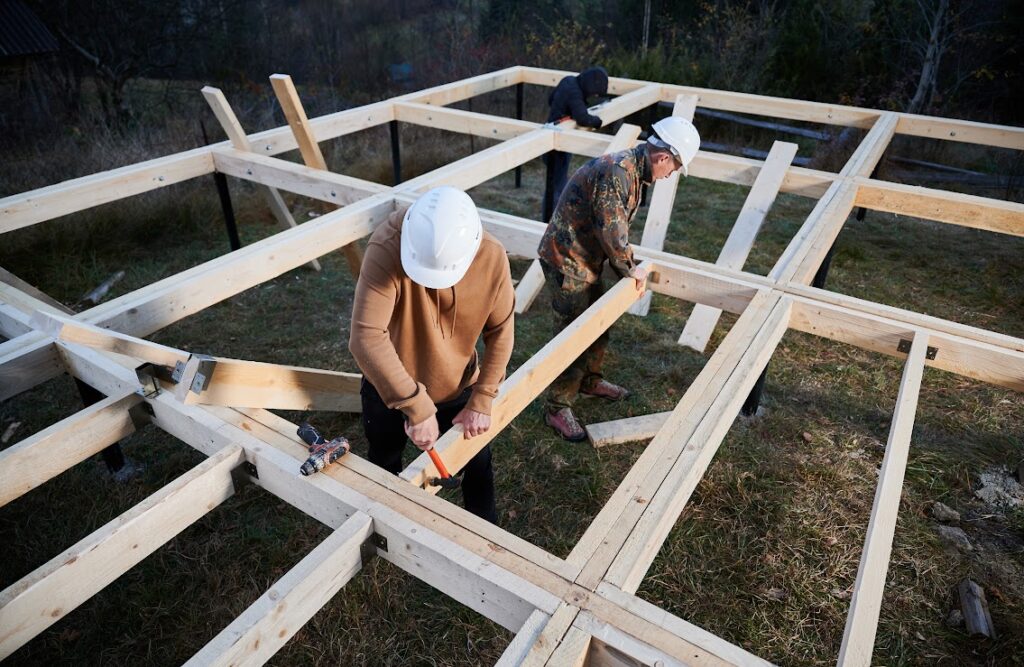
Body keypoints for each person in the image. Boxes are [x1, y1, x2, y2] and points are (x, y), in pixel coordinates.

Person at [349, 186, 514, 522]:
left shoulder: (491, 256)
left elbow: (501, 332)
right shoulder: (388, 245)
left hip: (458, 384)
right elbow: (366, 337)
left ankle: (487, 537)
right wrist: (416, 406)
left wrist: (482, 399)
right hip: (390, 383)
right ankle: (387, 531)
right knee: (384, 461)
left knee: (477, 462)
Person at [537, 116, 701, 441]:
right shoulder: (618, 172)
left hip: (586, 256)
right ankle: (557, 407)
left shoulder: (634, 172)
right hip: (567, 258)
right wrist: (630, 269)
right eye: (674, 168)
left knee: (599, 321)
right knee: (574, 333)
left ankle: (590, 381)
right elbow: (613, 232)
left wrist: (624, 267)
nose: (670, 175)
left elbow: (614, 229)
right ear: (663, 156)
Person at [542, 66, 609, 223]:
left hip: (552, 139)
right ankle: (552, 222)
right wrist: (598, 121)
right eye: (595, 92)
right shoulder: (575, 92)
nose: (594, 96)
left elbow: (551, 99)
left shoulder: (568, 81)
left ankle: (552, 217)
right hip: (557, 145)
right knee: (557, 187)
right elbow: (582, 118)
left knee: (556, 184)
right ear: (591, 85)